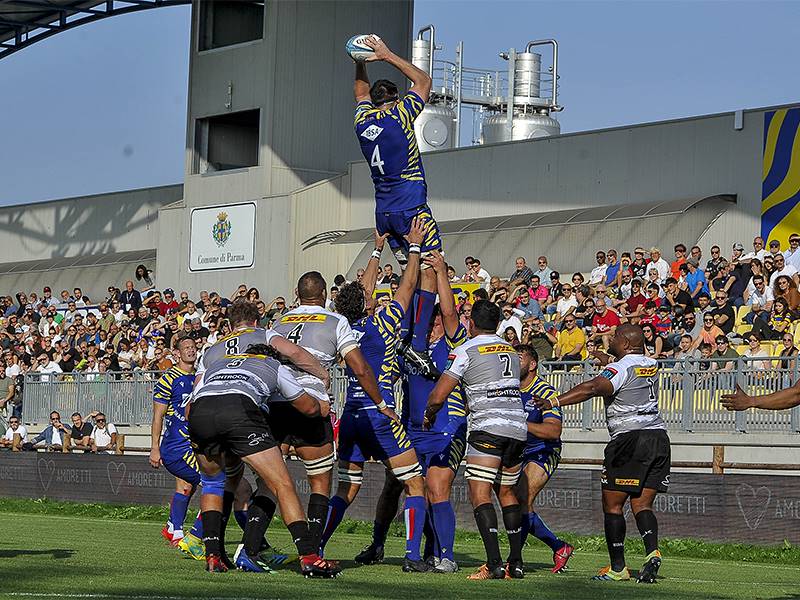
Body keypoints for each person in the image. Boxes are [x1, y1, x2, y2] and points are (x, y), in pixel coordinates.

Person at [319, 229, 430, 573]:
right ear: (368, 302)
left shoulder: (342, 326)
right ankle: (413, 556)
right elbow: (407, 288)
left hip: (351, 416)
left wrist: (376, 250)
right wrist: (413, 248)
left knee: (346, 489)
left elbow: (360, 292)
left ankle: (316, 546)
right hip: (379, 413)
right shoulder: (382, 323)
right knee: (415, 484)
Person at [267, 265, 391, 558]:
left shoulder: (278, 322)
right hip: (311, 401)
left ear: (297, 294)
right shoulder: (335, 320)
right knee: (320, 482)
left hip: (276, 403)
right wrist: (382, 403)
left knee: (269, 481)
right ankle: (311, 550)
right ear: (324, 294)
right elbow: (359, 367)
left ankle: (251, 545)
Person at [187, 342, 339, 577]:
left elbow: (189, 409)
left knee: (213, 484)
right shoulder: (274, 365)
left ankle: (213, 556)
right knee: (281, 483)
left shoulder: (217, 364)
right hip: (238, 410)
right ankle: (309, 557)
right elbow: (307, 408)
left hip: (200, 413)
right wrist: (323, 406)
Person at [534, 323, 669, 583]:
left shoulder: (619, 368)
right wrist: (603, 356)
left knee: (613, 504)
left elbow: (594, 388)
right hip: (658, 437)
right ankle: (652, 551)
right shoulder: (649, 363)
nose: (611, 338)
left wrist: (553, 401)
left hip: (630, 438)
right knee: (642, 504)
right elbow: (624, 364)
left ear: (627, 344)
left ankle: (618, 567)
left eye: (616, 336)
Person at [424, 299, 527, 580]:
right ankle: (515, 563)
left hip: (488, 428)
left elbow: (439, 394)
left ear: (470, 323)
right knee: (507, 494)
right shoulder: (510, 350)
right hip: (518, 427)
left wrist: (429, 414)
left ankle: (493, 563)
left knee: (480, 494)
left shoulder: (466, 350)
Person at [352, 35, 438, 272]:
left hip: (385, 213)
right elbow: (423, 81)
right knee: (430, 270)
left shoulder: (362, 122)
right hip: (411, 206)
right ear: (398, 99)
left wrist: (359, 61)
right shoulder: (400, 115)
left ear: (373, 102)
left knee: (405, 272)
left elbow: (360, 95)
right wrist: (385, 55)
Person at [515, 346, 574, 573]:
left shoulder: (545, 392)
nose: (513, 362)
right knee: (515, 503)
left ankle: (514, 561)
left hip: (543, 450)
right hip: (518, 451)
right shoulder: (509, 389)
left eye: (519, 358)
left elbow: (553, 431)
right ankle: (559, 547)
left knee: (522, 500)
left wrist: (520, 424)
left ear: (532, 364)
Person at [150, 337, 205, 556]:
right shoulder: (169, 378)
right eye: (186, 348)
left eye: (193, 347)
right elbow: (158, 416)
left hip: (195, 442)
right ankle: (193, 534)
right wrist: (154, 447)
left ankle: (174, 529)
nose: (191, 351)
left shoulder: (201, 376)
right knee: (213, 484)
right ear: (177, 353)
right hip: (178, 443)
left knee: (186, 487)